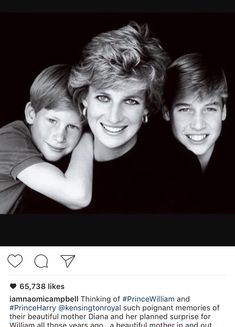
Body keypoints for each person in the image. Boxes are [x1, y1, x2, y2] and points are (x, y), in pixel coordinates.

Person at [65, 20, 171, 213]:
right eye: (103, 98)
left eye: (131, 101)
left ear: (147, 107)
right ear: (84, 99)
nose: (114, 117)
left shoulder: (172, 174)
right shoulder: (52, 164)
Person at [0, 64, 93, 214]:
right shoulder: (10, 142)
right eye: (52, 121)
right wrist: (88, 136)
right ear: (31, 113)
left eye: (73, 126)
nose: (60, 136)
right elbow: (77, 196)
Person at [161, 52, 235, 213]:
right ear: (167, 112)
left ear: (223, 112)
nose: (198, 124)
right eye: (185, 109)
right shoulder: (148, 176)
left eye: (209, 108)